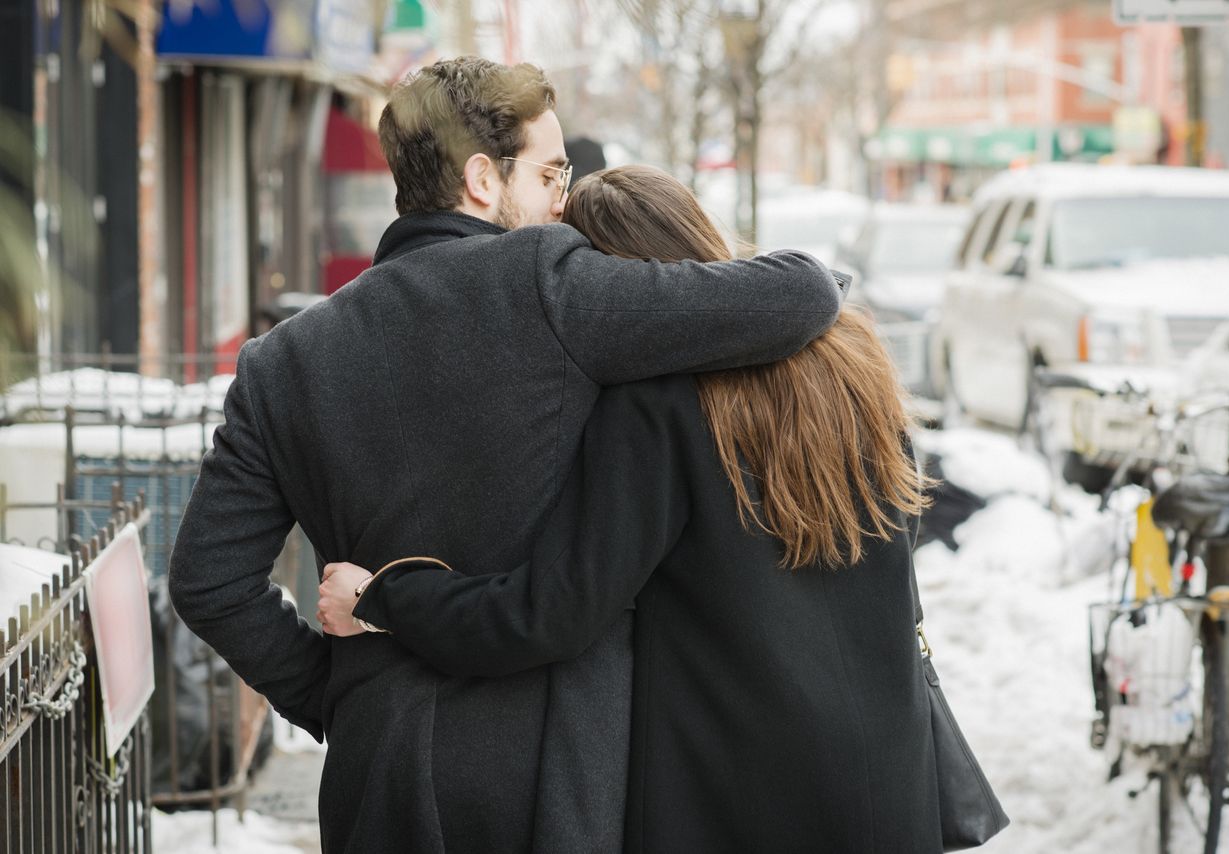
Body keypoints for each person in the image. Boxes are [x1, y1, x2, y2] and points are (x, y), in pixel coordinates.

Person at [167, 59, 841, 854]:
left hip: (377, 760)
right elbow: (803, 293)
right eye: (552, 174)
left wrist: (333, 695)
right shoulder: (553, 284)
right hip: (562, 764)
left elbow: (208, 580)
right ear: (483, 179)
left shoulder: (281, 361)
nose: (565, 199)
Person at [320, 165, 942, 852]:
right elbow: (898, 541)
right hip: (891, 785)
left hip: (741, 802)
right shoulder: (850, 360)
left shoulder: (656, 405)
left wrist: (383, 595)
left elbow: (547, 614)